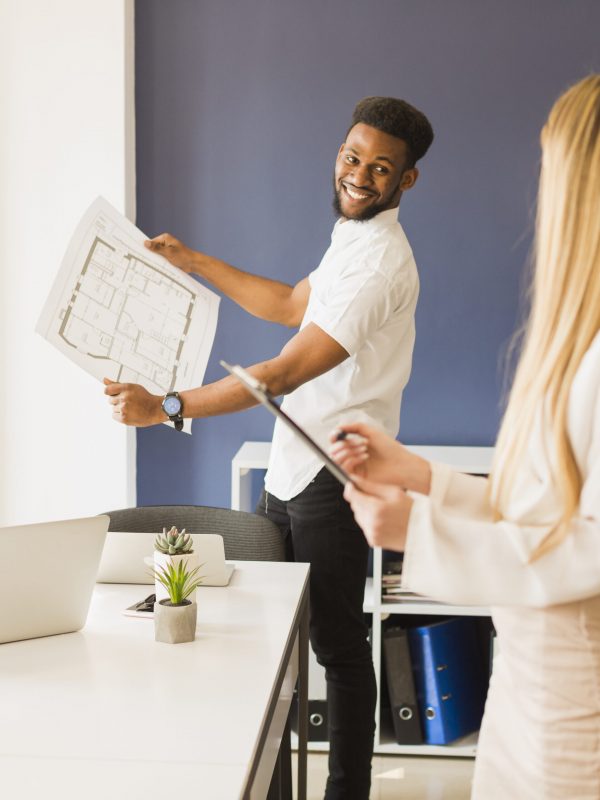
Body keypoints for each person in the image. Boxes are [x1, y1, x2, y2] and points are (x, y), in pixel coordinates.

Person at [104, 95, 434, 798]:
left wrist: (165, 406)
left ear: (406, 181)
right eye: (352, 157)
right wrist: (192, 260)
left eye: (380, 168)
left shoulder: (380, 264)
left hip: (335, 473)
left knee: (338, 651)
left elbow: (282, 372)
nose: (359, 175)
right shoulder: (352, 237)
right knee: (271, 645)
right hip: (290, 467)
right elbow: (289, 304)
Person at [330, 74, 600, 800]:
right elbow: (552, 508)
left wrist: (422, 530)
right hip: (528, 693)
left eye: (554, 169)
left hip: (576, 720)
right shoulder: (579, 338)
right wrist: (421, 476)